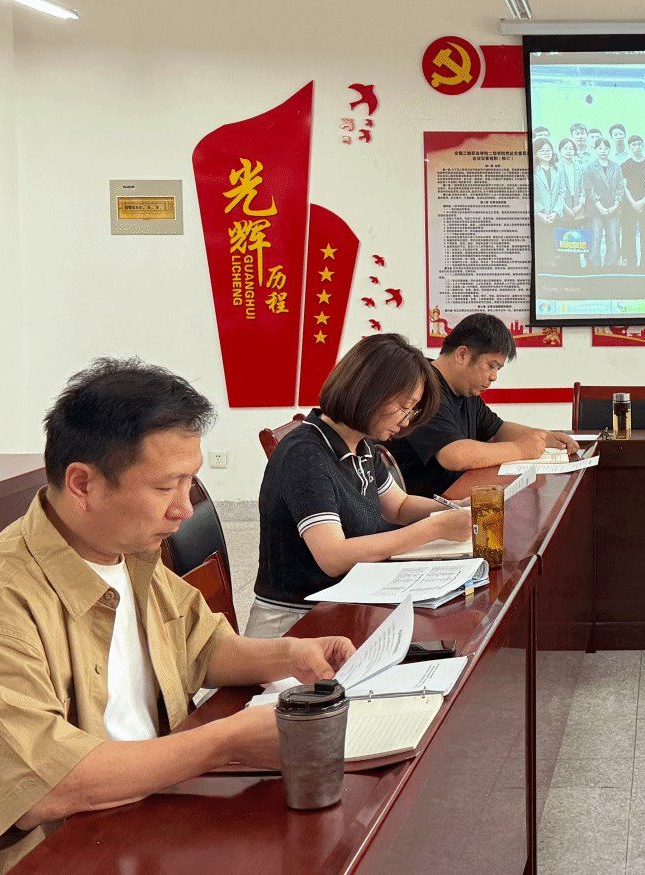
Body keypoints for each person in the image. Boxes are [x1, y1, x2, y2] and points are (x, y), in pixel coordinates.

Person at [0, 359, 361, 874]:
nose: (184, 508)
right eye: (167, 487)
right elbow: (48, 786)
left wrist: (290, 655)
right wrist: (226, 743)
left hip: (137, 814)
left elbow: (201, 644)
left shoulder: (127, 552)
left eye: (191, 482)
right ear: (82, 484)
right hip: (52, 852)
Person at [246, 334, 474, 638]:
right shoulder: (306, 453)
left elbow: (399, 506)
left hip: (343, 606)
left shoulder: (362, 445)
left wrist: (457, 507)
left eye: (412, 411)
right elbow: (333, 557)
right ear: (370, 391)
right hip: (296, 624)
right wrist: (434, 528)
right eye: (404, 407)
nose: (406, 422)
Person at [392, 313, 579, 497]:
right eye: (491, 366)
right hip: (425, 504)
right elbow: (455, 455)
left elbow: (497, 431)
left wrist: (544, 437)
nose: (494, 377)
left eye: (498, 369)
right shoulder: (424, 387)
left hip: (457, 492)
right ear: (462, 354)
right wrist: (521, 449)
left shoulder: (465, 389)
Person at [582, 137, 624, 268]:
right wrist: (600, 207)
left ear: (610, 149)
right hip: (595, 210)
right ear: (595, 149)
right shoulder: (590, 167)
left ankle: (610, 269)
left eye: (606, 148)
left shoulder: (616, 167)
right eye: (600, 148)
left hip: (613, 209)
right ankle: (594, 269)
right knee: (595, 240)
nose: (603, 150)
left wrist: (616, 204)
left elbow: (620, 187)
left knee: (614, 240)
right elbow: (589, 189)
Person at [531, 137, 567, 270]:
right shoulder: (532, 170)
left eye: (549, 150)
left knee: (556, 250)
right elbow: (530, 194)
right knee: (543, 250)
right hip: (539, 217)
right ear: (536, 153)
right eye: (542, 150)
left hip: (555, 216)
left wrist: (555, 212)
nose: (546, 153)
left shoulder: (558, 169)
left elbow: (562, 193)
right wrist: (540, 213)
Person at [620, 134, 645, 267]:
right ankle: (632, 265)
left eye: (639, 144)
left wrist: (642, 202)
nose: (637, 147)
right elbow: (624, 187)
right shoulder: (625, 165)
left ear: (643, 145)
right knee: (629, 236)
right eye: (634, 145)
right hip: (629, 206)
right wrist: (633, 203)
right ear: (629, 147)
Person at [555, 138, 586, 268]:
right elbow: (556, 191)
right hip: (563, 207)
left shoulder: (579, 167)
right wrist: (565, 207)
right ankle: (565, 269)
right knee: (564, 240)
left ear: (575, 151)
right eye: (565, 148)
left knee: (576, 240)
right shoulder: (556, 167)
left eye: (571, 148)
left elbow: (584, 188)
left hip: (577, 207)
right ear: (560, 151)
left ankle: (576, 269)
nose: (568, 151)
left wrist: (580, 204)